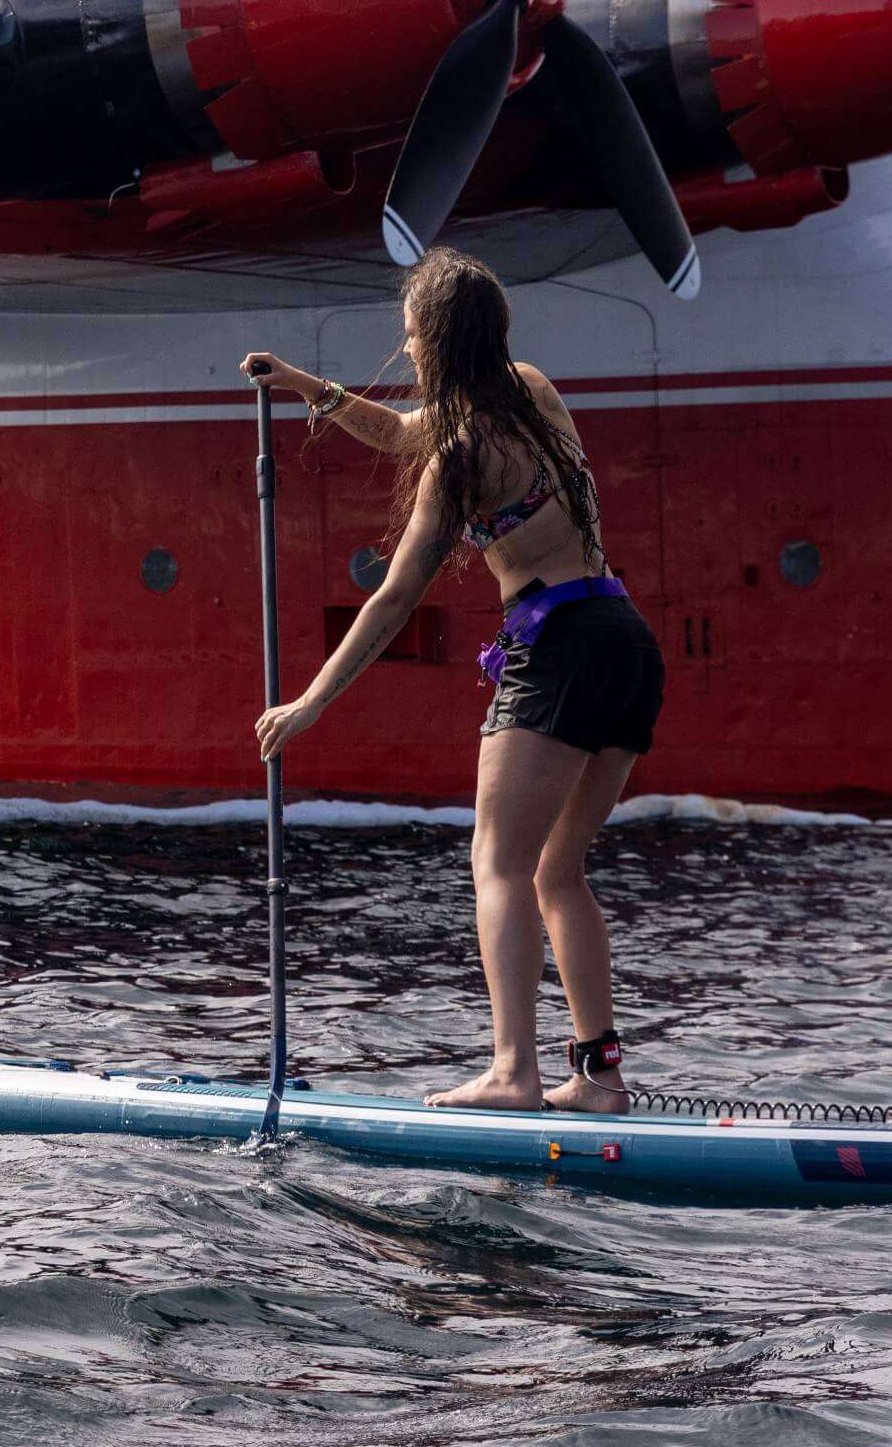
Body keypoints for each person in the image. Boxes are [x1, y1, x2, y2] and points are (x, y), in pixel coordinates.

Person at [247, 250, 665, 1113]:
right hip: (625, 637)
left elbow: (396, 596)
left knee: (499, 862)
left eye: (409, 332)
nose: (403, 342)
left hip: (557, 646)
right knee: (559, 870)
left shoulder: (462, 461)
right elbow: (405, 431)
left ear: (433, 342)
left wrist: (310, 702)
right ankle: (601, 1077)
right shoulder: (534, 389)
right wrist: (306, 386)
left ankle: (514, 1070)